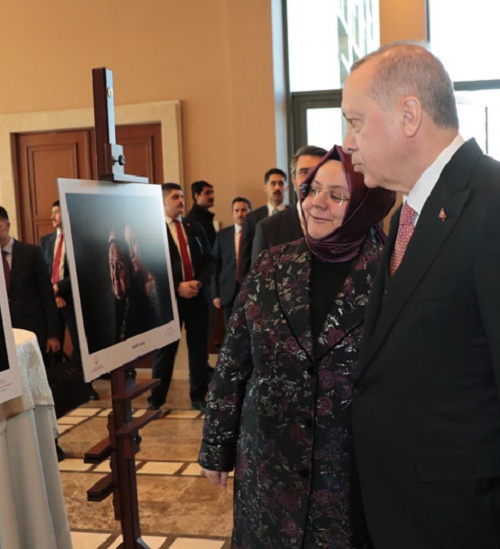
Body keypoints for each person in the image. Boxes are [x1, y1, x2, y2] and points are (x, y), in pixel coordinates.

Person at [342, 41, 500, 547]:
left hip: (464, 523)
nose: (347, 143)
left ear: (408, 115)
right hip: (399, 513)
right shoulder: (405, 215)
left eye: (355, 121)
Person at [199, 146, 395, 548]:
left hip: (346, 474)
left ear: (364, 206)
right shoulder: (270, 265)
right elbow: (233, 364)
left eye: (337, 195)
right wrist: (216, 446)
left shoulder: (390, 277)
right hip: (268, 464)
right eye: (312, 189)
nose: (316, 203)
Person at [148, 183, 215, 412]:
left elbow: (209, 259)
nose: (181, 200)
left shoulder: (193, 226)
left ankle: (198, 397)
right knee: (165, 352)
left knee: (198, 351)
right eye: (176, 197)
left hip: (197, 297)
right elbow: (149, 268)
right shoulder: (153, 230)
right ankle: (156, 400)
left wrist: (199, 282)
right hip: (170, 300)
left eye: (182, 196)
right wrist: (177, 287)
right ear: (164, 201)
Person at [40, 200, 98, 400]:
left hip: (73, 300)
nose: (52, 216)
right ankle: (57, 389)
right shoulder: (45, 241)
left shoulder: (79, 241)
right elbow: (42, 273)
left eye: (56, 212)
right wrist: (53, 294)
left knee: (81, 345)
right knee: (54, 345)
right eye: (52, 212)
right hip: (52, 301)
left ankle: (86, 387)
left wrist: (60, 288)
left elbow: (83, 272)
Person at [0, 205, 61, 362]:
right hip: (5, 335)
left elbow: (47, 294)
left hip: (33, 332)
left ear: (7, 226)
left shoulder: (31, 253)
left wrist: (53, 334)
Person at [251, 146, 327, 261]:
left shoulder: (343, 224)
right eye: (304, 172)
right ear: (293, 180)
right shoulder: (268, 229)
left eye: (319, 171)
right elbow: (258, 278)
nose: (311, 178)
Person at [239, 168, 287, 279]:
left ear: (287, 187)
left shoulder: (296, 214)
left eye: (281, 183)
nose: (277, 187)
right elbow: (245, 256)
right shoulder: (252, 218)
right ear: (265, 188)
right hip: (261, 278)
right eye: (273, 183)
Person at [210, 197, 251, 327]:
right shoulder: (222, 235)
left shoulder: (257, 233)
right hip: (227, 292)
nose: (240, 214)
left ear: (250, 212)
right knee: (231, 331)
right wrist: (215, 294)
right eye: (237, 210)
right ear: (232, 213)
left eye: (244, 210)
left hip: (249, 291)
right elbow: (215, 266)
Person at [185, 180, 217, 247]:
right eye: (207, 193)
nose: (212, 196)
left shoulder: (205, 215)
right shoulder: (193, 219)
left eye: (212, 192)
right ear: (197, 196)